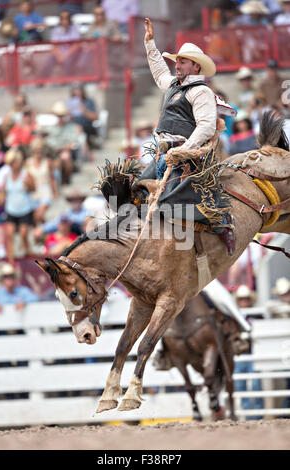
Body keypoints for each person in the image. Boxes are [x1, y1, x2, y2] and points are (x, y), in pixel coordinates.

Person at [140, 17, 236, 255]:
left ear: (196, 67)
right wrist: (150, 44)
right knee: (137, 188)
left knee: (168, 201)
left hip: (184, 155)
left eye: (182, 61)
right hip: (167, 152)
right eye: (177, 61)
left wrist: (183, 150)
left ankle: (220, 222)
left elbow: (204, 127)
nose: (177, 65)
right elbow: (159, 71)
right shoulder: (175, 84)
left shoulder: (201, 91)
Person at [233, 284, 264, 420]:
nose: (244, 301)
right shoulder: (234, 315)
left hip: (254, 354)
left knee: (256, 384)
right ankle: (247, 414)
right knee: (240, 385)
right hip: (239, 355)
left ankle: (257, 415)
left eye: (246, 299)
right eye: (241, 299)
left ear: (250, 300)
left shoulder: (258, 314)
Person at [2, 148, 35, 264]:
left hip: (24, 209)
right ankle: (11, 261)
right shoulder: (7, 176)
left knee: (23, 234)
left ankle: (28, 255)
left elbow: (33, 189)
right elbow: (4, 192)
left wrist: (28, 184)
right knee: (9, 235)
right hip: (11, 209)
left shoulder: (26, 174)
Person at [44, 101, 85, 184]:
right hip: (53, 153)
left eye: (61, 116)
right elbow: (48, 143)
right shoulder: (50, 128)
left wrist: (61, 148)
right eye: (58, 116)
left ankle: (65, 180)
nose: (60, 118)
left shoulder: (71, 127)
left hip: (65, 153)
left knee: (65, 156)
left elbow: (73, 143)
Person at [25, 138, 58, 226]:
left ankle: (43, 231)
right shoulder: (28, 163)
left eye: (40, 151)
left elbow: (52, 178)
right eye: (36, 151)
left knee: (39, 214)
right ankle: (44, 232)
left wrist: (54, 191)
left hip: (45, 189)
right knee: (36, 216)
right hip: (34, 191)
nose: (38, 153)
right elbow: (27, 178)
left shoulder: (47, 162)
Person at [40, 10, 81, 79]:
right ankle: (41, 80)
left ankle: (67, 80)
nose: (65, 20)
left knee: (68, 61)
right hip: (59, 54)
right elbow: (54, 46)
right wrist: (59, 56)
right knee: (49, 61)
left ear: (69, 19)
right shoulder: (56, 30)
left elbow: (76, 45)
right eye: (62, 18)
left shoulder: (74, 29)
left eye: (66, 18)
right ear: (60, 20)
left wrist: (65, 55)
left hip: (71, 54)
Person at [65, 84, 98, 158]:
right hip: (74, 127)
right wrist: (69, 114)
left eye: (78, 90)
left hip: (87, 126)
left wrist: (84, 110)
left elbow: (95, 117)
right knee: (77, 128)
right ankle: (86, 153)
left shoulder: (89, 101)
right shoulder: (70, 103)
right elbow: (67, 119)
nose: (77, 92)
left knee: (79, 128)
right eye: (75, 90)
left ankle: (86, 153)